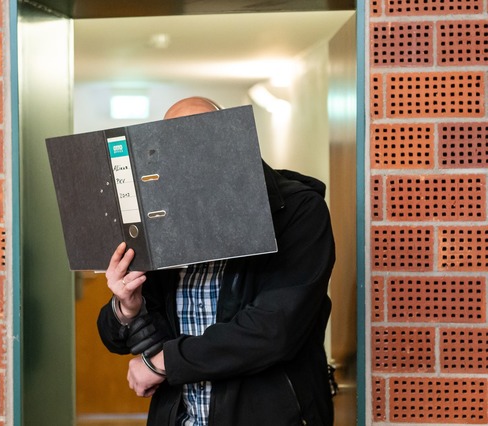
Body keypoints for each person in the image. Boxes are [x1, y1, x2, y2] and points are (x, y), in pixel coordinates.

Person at [97, 96, 336, 425]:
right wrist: (126, 307)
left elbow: (272, 330)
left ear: (231, 141)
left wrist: (162, 362)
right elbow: (121, 338)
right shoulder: (162, 219)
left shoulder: (297, 212)